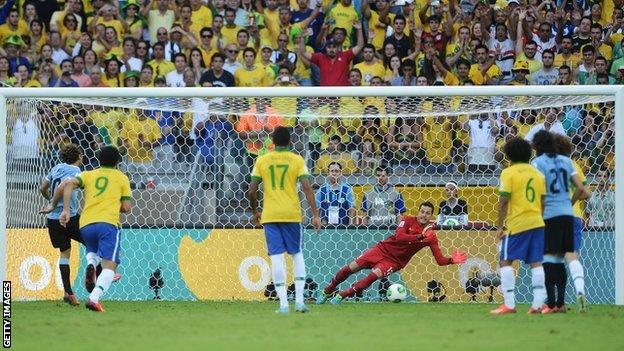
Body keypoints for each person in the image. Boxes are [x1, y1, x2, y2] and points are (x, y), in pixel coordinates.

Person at [316, 202, 467, 304]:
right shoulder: (408, 220)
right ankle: (328, 290)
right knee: (349, 269)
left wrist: (451, 260)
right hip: (381, 249)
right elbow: (400, 237)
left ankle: (342, 295)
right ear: (418, 212)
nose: (424, 215)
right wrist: (420, 236)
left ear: (431, 216)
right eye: (422, 212)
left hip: (394, 262)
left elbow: (439, 260)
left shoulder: (431, 236)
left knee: (371, 278)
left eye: (428, 213)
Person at [46, 145, 132, 312]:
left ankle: (91, 264)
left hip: (85, 224)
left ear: (98, 159)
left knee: (88, 250)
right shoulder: (122, 178)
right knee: (110, 265)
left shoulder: (88, 174)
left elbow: (66, 184)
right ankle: (94, 297)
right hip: (107, 224)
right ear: (117, 162)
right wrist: (116, 203)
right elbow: (126, 207)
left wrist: (63, 210)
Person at [248, 126, 321, 314]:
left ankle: (283, 305)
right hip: (291, 214)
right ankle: (299, 302)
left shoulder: (262, 160)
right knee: (297, 255)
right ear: (290, 142)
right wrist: (315, 214)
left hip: (270, 215)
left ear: (272, 141)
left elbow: (251, 190)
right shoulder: (297, 160)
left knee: (276, 257)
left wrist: (255, 210)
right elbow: (307, 188)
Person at [531, 130, 590, 313]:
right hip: (570, 215)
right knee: (570, 255)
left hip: (549, 214)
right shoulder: (568, 162)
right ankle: (575, 293)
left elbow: (538, 192)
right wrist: (569, 202)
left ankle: (552, 303)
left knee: (550, 258)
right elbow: (584, 191)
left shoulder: (538, 163)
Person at [490, 137, 547, 315]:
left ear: (508, 154)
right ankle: (537, 305)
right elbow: (544, 201)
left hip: (518, 224)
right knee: (536, 262)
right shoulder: (538, 174)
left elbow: (504, 202)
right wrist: (540, 218)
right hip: (538, 222)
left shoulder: (508, 173)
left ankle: (509, 304)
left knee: (505, 260)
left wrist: (500, 226)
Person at [39, 144, 83, 306]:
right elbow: (64, 185)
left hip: (52, 219)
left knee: (64, 253)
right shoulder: (76, 172)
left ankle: (68, 293)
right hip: (69, 217)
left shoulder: (56, 168)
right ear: (79, 156)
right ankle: (100, 276)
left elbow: (42, 187)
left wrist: (51, 201)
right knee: (94, 244)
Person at [315, 162, 356, 226]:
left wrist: (350, 228)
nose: (334, 173)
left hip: (343, 228)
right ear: (328, 173)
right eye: (332, 171)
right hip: (326, 228)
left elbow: (352, 210)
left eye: (336, 171)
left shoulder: (347, 189)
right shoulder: (322, 190)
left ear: (340, 173)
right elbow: (316, 209)